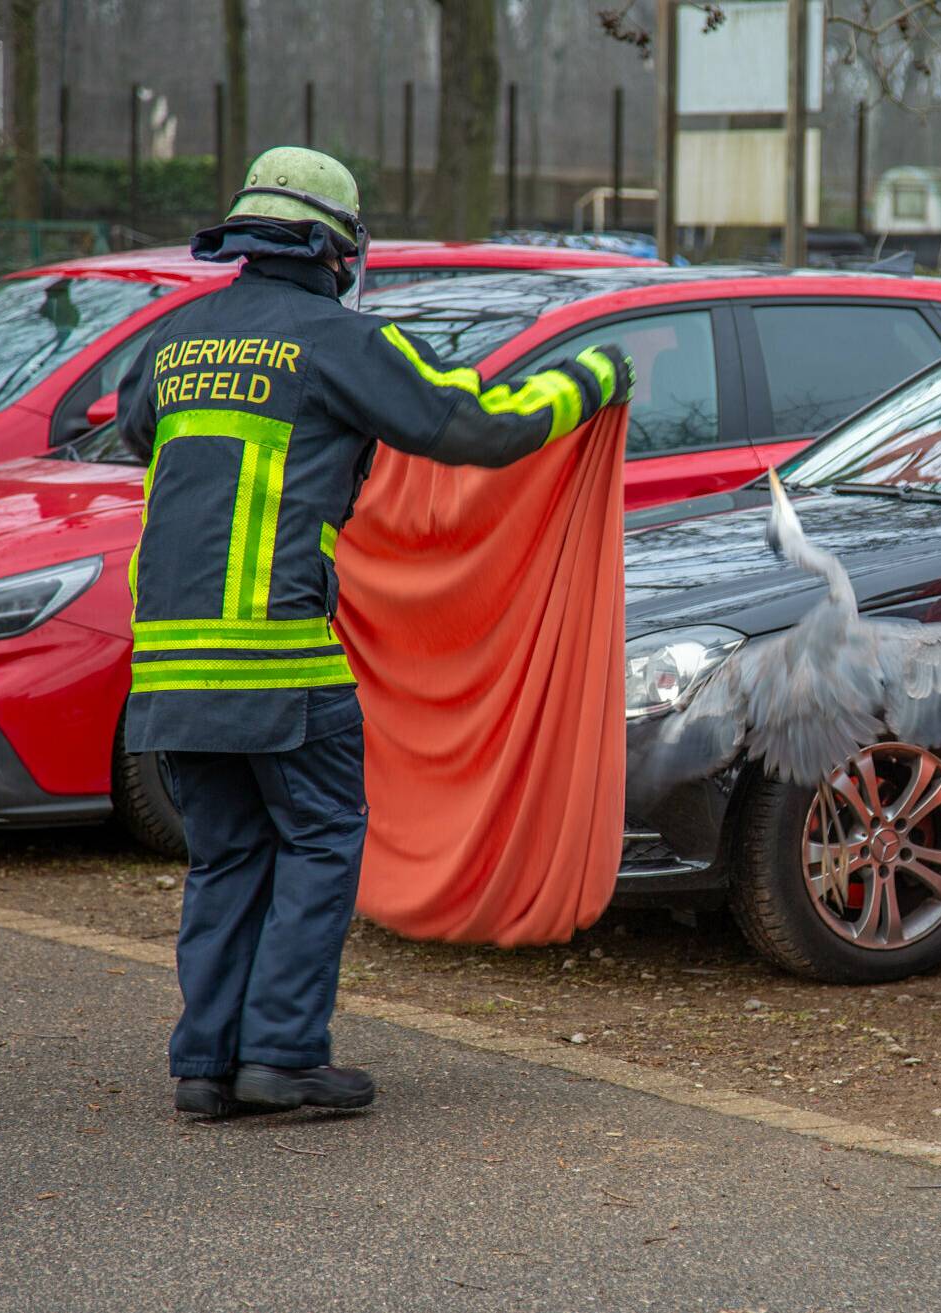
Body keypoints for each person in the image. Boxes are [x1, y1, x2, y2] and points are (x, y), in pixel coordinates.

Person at [116, 147, 633, 1115]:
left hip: (167, 664)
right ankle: (282, 1055)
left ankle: (205, 1066)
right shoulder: (337, 341)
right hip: (280, 657)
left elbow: (135, 435)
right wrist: (590, 378)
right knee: (318, 840)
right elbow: (471, 422)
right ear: (335, 249)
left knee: (227, 854)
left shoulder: (176, 340)